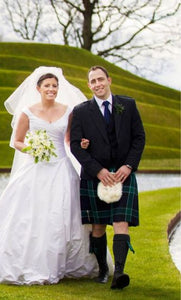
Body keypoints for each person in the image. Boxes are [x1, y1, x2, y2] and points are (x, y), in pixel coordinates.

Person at [0, 66, 102, 285]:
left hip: (61, 168)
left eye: (54, 86)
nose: (51, 89)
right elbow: (17, 141)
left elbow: (68, 140)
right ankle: (31, 261)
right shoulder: (28, 112)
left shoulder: (68, 111)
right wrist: (32, 148)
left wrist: (82, 143)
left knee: (62, 214)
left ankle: (68, 262)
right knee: (33, 214)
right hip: (35, 169)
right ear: (38, 88)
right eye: (47, 86)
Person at [70, 65, 145, 289]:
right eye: (93, 81)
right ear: (89, 85)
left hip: (123, 174)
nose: (97, 84)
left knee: (121, 221)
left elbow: (139, 138)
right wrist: (98, 171)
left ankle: (119, 273)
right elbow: (76, 146)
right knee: (98, 226)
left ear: (109, 80)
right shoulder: (81, 111)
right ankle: (103, 270)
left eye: (100, 79)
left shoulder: (127, 105)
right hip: (95, 176)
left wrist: (128, 166)